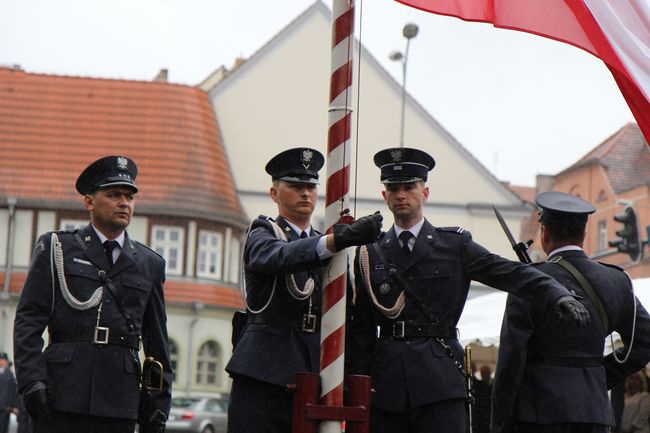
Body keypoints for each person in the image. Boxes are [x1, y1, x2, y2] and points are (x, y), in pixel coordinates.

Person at [348, 148, 589, 433]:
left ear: (424, 193)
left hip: (439, 381)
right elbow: (360, 329)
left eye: (409, 187)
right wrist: (356, 385)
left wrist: (554, 291)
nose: (401, 195)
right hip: (386, 384)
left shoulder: (454, 246)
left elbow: (507, 272)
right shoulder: (370, 253)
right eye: (393, 188)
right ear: (384, 196)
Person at [225, 147, 382, 433]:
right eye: (295, 186)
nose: (305, 193)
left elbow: (347, 315)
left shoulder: (330, 246)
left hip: (315, 373)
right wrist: (339, 239)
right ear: (275, 194)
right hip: (264, 373)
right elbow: (278, 257)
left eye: (310, 186)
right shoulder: (263, 232)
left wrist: (348, 378)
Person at [13, 156, 172, 433]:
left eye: (129, 197)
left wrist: (158, 404)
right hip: (60, 393)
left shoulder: (149, 264)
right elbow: (29, 319)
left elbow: (156, 342)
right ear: (89, 201)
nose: (124, 203)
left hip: (118, 398)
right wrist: (31, 381)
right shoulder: (57, 249)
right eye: (114, 195)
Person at [492, 191, 650, 433]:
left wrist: (500, 425)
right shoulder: (617, 281)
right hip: (594, 412)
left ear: (544, 233)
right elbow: (645, 342)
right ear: (584, 234)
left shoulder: (528, 281)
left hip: (539, 414)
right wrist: (597, 376)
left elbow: (511, 363)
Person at [471, 364, 493, 433]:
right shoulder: (481, 385)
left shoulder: (480, 385)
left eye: (486, 373)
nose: (485, 375)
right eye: (484, 373)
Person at [0, 353, 17, 433]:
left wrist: (12, 405)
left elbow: (12, 390)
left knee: (3, 427)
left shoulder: (9, 374)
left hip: (5, 406)